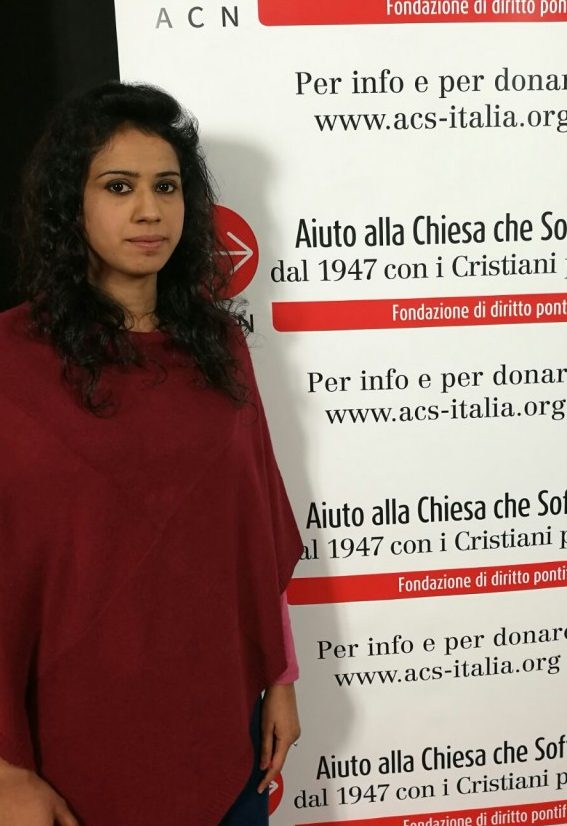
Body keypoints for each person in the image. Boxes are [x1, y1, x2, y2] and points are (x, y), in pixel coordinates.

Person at [0, 81, 302, 825]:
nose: (148, 210)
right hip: (70, 749)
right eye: (118, 186)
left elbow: (255, 530)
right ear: (72, 204)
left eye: (166, 187)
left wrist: (280, 677)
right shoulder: (12, 360)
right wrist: (5, 771)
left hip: (223, 729)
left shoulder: (220, 349)